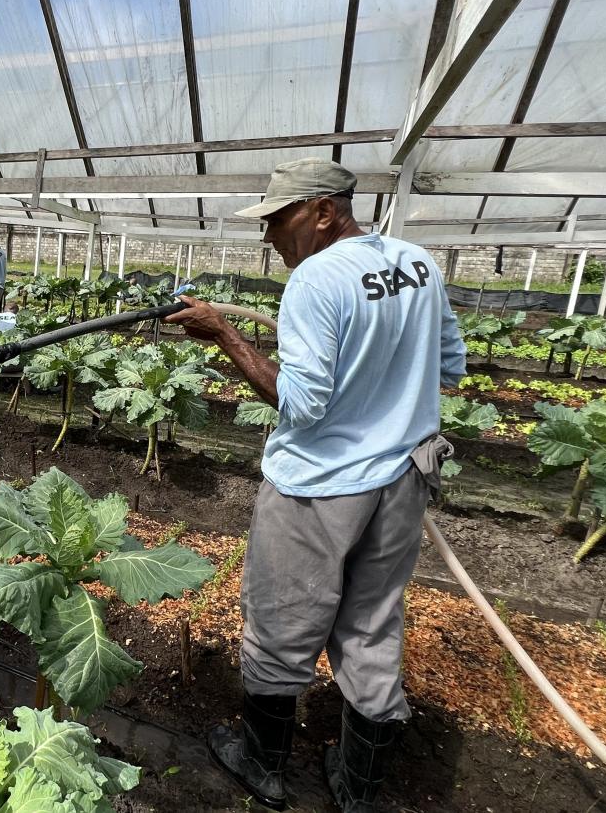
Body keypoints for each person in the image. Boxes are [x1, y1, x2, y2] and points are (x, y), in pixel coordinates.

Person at [165, 158, 466, 812]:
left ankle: (262, 762)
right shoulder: (420, 264)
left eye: (278, 220)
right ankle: (357, 787)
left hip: (322, 486)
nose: (270, 238)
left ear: (325, 211)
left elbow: (300, 404)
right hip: (405, 480)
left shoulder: (315, 279)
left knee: (280, 620)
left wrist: (223, 334)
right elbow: (450, 370)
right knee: (370, 625)